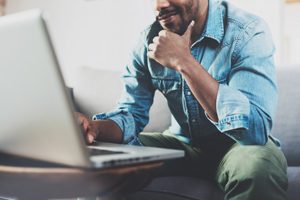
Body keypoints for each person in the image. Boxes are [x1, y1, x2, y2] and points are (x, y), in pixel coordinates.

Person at [77, 0, 288, 199]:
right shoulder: (148, 41)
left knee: (257, 165)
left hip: (238, 145)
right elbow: (131, 113)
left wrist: (184, 62)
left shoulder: (247, 32)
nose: (160, 5)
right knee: (104, 159)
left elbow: (256, 130)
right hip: (181, 144)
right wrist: (94, 128)